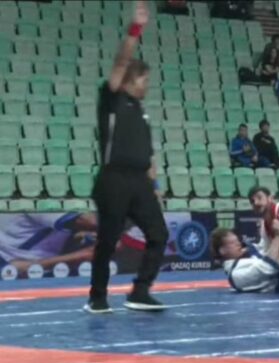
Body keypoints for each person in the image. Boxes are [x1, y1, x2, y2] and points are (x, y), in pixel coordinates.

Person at [87, 1, 169, 314]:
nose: (147, 85)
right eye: (144, 80)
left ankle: (140, 291)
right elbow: (121, 60)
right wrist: (135, 29)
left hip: (139, 181)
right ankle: (97, 296)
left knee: (159, 234)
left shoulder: (142, 112)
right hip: (114, 179)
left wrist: (155, 186)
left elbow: (148, 154)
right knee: (108, 240)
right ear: (129, 80)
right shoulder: (111, 99)